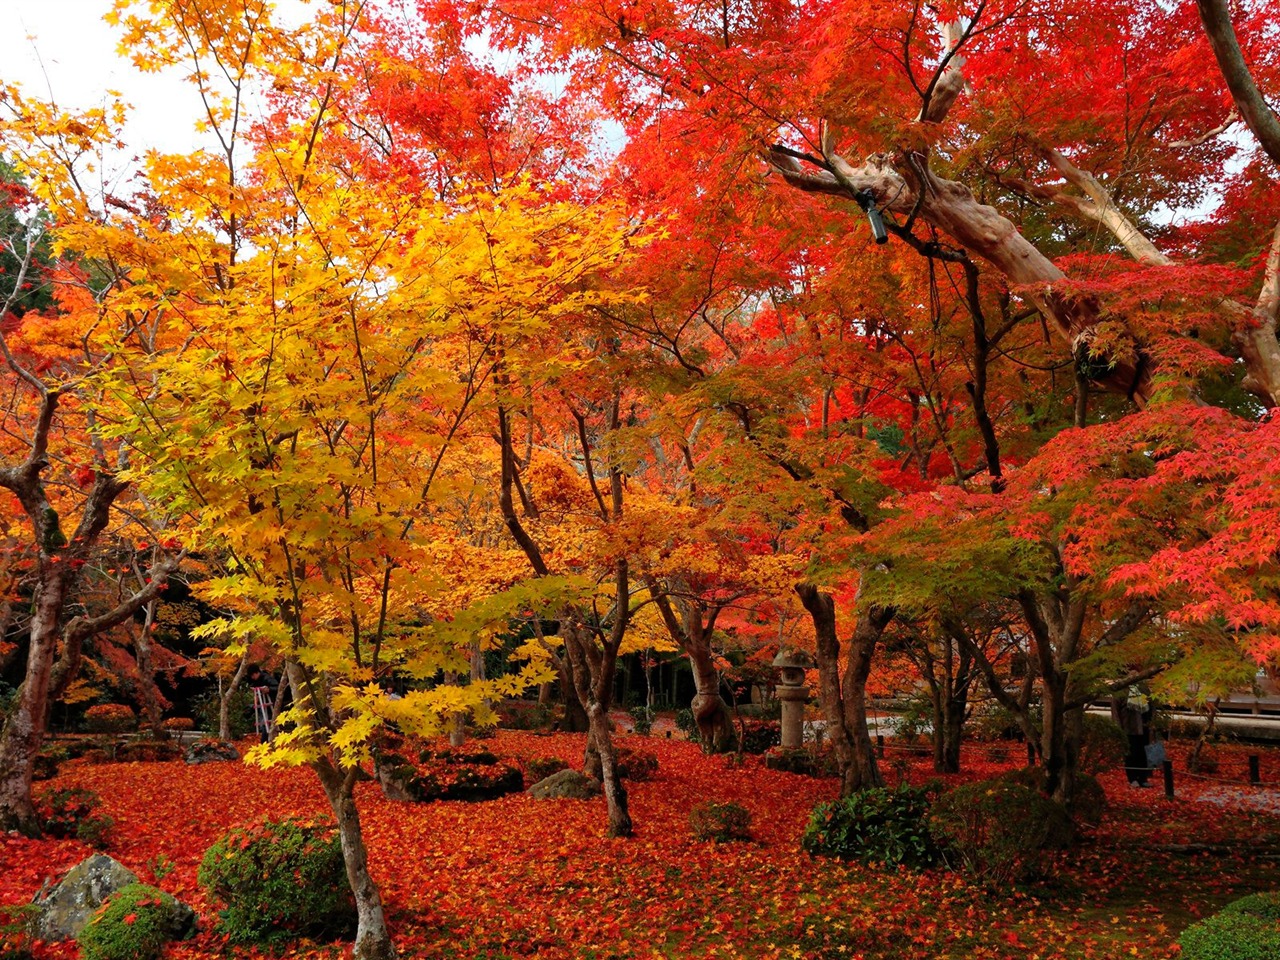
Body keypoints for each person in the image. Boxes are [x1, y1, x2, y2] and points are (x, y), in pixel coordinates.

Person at [1112, 688, 1152, 787]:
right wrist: (1118, 729)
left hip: (1144, 728)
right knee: (1131, 755)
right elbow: (1115, 713)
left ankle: (1143, 778)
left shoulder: (1144, 690)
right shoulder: (1121, 692)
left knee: (1143, 754)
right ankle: (1132, 778)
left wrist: (1152, 726)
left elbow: (1151, 709)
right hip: (1128, 729)